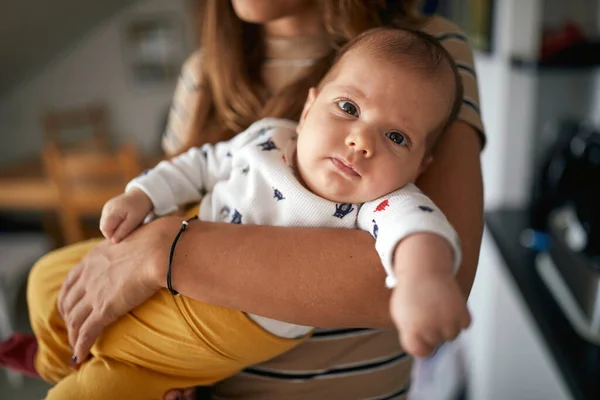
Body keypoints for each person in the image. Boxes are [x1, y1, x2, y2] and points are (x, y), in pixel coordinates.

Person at [6, 1, 485, 399]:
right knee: (45, 279)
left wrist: (423, 279)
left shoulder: (390, 179)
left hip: (248, 348)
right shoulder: (251, 122)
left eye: (396, 136)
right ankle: (53, 359)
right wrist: (142, 195)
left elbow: (426, 244)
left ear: (420, 163)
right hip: (198, 375)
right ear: (309, 105)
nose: (361, 141)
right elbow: (197, 165)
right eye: (347, 108)